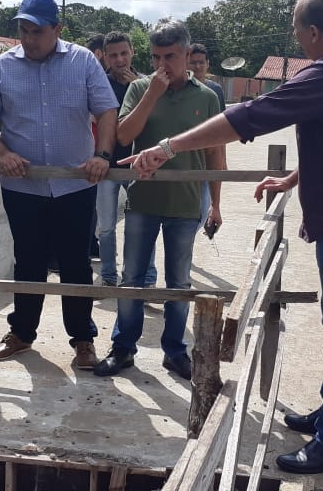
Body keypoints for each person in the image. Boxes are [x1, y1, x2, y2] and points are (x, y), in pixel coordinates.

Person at [122, 0, 323, 474]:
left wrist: (166, 147)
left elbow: (249, 117)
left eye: (297, 31)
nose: (297, 39)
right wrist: (297, 176)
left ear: (314, 32)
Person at [0, 0, 118, 370]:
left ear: (58, 29)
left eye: (37, 31)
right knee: (28, 260)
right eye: (23, 30)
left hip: (75, 183)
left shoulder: (83, 61)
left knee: (76, 263)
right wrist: (3, 153)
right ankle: (21, 333)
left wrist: (101, 155)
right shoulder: (2, 67)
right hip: (23, 185)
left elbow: (106, 108)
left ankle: (83, 340)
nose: (29, 39)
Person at [94, 20, 224, 380]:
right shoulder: (139, 88)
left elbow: (216, 153)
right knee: (132, 278)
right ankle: (123, 349)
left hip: (185, 203)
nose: (162, 64)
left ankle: (175, 351)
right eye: (155, 56)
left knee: (179, 282)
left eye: (170, 56)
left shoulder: (207, 95)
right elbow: (123, 135)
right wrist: (151, 93)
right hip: (143, 200)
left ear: (186, 54)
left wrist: (216, 203)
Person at [94, 31, 157, 287]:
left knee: (141, 227)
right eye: (113, 55)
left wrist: (140, 91)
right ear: (105, 58)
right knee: (106, 227)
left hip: (139, 166)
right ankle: (108, 276)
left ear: (132, 51)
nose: (119, 59)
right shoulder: (98, 83)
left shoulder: (149, 83)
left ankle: (146, 278)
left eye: (123, 53)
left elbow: (156, 122)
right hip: (106, 166)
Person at [188, 43, 227, 230]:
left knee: (204, 210)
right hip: (187, 158)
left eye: (200, 62)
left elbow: (222, 129)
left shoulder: (215, 91)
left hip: (209, 157)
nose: (197, 67)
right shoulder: (183, 90)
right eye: (193, 62)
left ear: (207, 64)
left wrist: (223, 160)